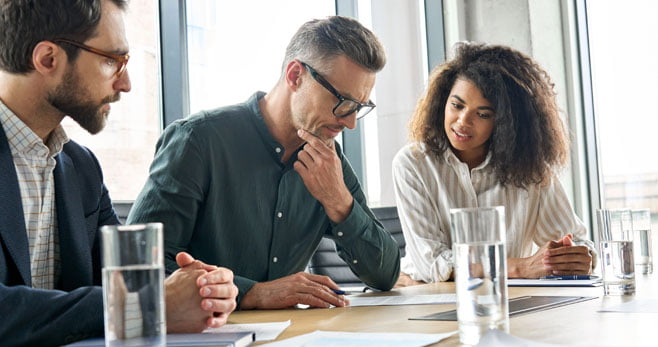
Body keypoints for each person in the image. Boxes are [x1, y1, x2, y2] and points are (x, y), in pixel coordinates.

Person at [0, 1, 237, 345]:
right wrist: (151, 303)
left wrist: (204, 290)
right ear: (48, 59)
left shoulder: (82, 169)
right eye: (112, 60)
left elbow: (129, 287)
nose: (125, 84)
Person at [128, 16, 400, 309]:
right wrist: (253, 292)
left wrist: (338, 201)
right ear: (296, 76)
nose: (350, 124)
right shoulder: (198, 141)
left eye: (359, 108)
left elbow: (385, 275)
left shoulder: (329, 162)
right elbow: (137, 264)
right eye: (343, 102)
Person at [392, 42, 595, 286]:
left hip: (509, 300)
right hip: (426, 295)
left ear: (505, 123)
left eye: (483, 114)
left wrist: (575, 258)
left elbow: (578, 243)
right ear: (442, 103)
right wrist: (521, 267)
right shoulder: (412, 164)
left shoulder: (530, 169)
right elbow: (433, 265)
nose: (463, 122)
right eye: (457, 105)